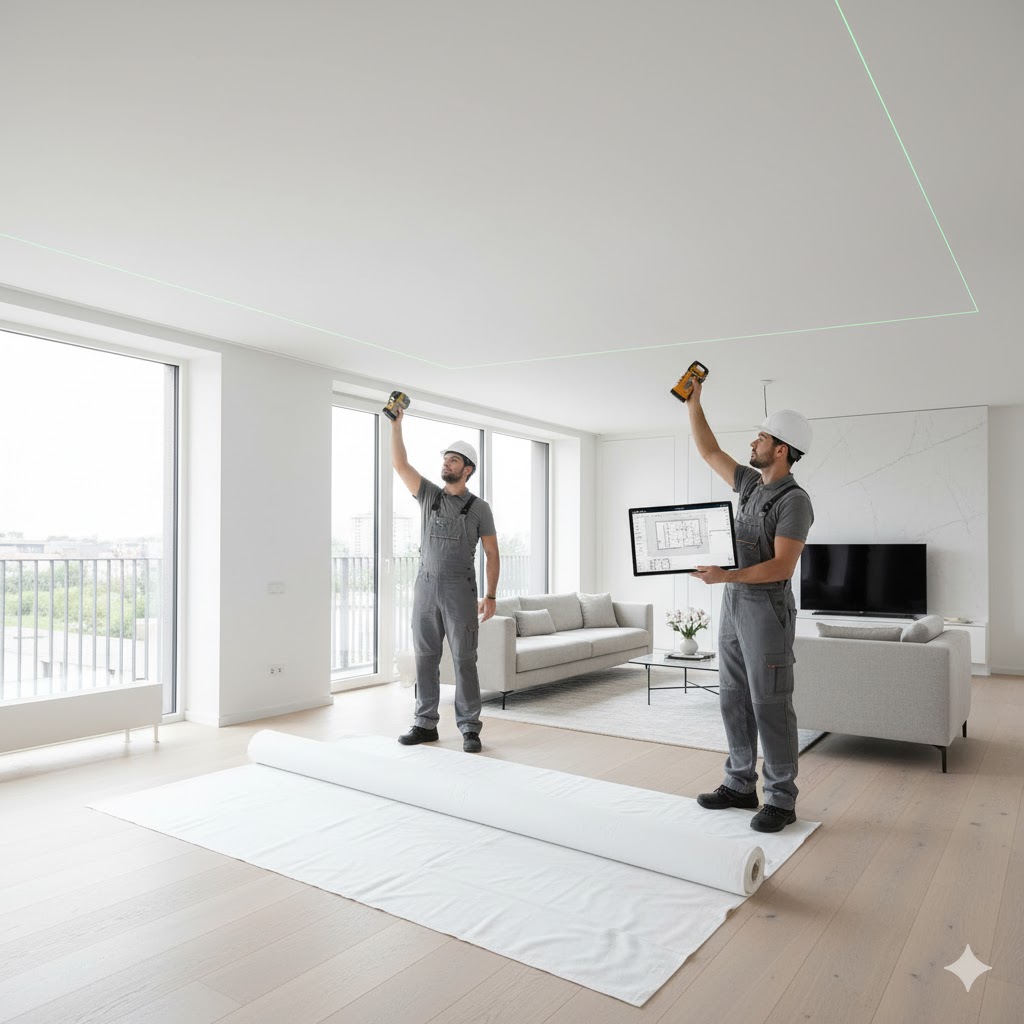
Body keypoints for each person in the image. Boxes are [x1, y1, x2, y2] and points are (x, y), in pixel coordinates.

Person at [684, 377, 814, 832]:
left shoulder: (795, 501)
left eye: (761, 437)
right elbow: (709, 451)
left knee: (770, 703)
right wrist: (694, 403)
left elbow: (781, 566)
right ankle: (740, 784)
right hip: (734, 605)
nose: (753, 442)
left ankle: (781, 798)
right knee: (733, 699)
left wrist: (726, 576)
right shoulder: (750, 484)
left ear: (782, 449)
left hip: (766, 611)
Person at [389, 406, 500, 753]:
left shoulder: (480, 508)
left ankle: (469, 728)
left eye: (453, 460)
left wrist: (491, 596)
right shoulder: (429, 496)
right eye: (445, 459)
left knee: (464, 658)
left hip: (459, 589)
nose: (446, 464)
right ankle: (425, 724)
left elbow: (493, 554)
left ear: (467, 470)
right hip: (425, 586)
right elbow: (400, 465)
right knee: (425, 656)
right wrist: (396, 425)